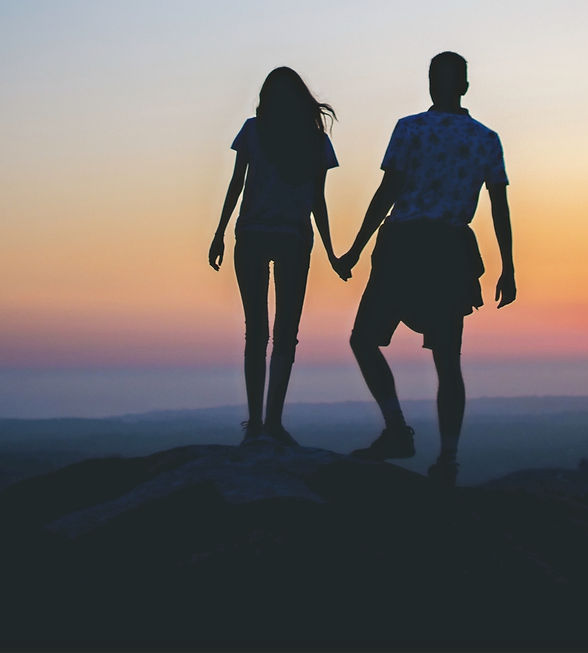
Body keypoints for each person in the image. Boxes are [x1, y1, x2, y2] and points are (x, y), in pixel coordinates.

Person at [336, 52, 516, 486]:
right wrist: (508, 267)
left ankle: (398, 431)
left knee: (365, 339)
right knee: (447, 361)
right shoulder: (485, 138)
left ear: (434, 84)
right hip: (449, 251)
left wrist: (356, 249)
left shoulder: (410, 128)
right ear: (466, 87)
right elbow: (498, 207)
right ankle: (447, 459)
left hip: (404, 245)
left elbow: (388, 191)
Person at [209, 67, 348, 446]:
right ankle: (270, 422)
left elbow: (237, 184)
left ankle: (258, 423)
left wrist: (220, 232)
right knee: (285, 333)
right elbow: (317, 201)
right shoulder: (313, 140)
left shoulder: (255, 130)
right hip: (291, 238)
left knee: (257, 331)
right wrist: (333, 253)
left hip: (254, 234)